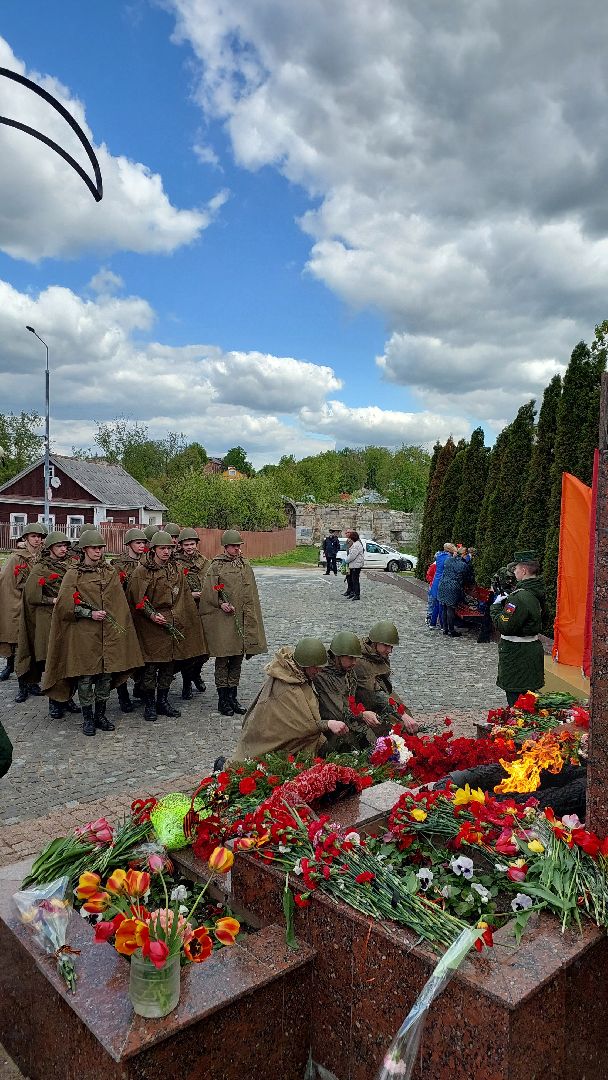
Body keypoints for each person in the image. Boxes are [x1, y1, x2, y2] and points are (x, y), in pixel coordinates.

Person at [42, 529, 144, 737]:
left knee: (105, 676)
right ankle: (88, 718)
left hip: (108, 634)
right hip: (84, 634)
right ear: (85, 549)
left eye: (100, 548)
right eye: (94, 548)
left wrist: (119, 627)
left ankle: (101, 715)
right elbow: (64, 605)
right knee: (86, 677)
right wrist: (88, 613)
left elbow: (118, 603)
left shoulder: (109, 572)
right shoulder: (74, 573)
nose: (98, 552)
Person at [127, 530, 205, 722]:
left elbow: (183, 596)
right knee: (151, 666)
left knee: (169, 666)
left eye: (169, 549)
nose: (166, 552)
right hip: (150, 626)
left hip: (171, 621)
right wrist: (152, 614)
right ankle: (150, 704)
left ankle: (163, 700)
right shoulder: (142, 571)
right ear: (153, 549)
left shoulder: (176, 569)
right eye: (162, 549)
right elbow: (137, 598)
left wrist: (180, 618)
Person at [199, 529, 267, 717]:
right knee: (223, 658)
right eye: (233, 546)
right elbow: (210, 591)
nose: (237, 549)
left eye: (238, 546)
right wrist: (221, 603)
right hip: (224, 619)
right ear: (225, 547)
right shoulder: (216, 567)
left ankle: (233, 696)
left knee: (237, 658)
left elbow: (250, 592)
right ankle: (223, 699)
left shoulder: (245, 565)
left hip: (242, 619)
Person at [15, 530, 80, 717]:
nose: (63, 549)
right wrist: (52, 600)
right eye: (59, 546)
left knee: (70, 660)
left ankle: (68, 699)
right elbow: (32, 594)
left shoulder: (72, 565)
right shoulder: (41, 568)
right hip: (48, 619)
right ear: (51, 547)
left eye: (65, 546)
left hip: (69, 618)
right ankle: (55, 702)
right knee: (53, 661)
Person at [232, 637, 330, 760]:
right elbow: (303, 727)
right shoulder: (288, 688)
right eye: (315, 667)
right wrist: (327, 724)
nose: (319, 671)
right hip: (271, 741)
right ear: (304, 664)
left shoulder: (300, 676)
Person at [490, 549, 546, 706]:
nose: (514, 572)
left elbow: (504, 625)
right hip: (531, 650)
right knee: (530, 699)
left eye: (515, 569)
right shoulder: (537, 591)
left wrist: (495, 607)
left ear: (524, 570)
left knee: (517, 703)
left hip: (517, 655)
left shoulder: (519, 596)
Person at [313, 630, 380, 751]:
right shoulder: (320, 674)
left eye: (356, 658)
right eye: (350, 658)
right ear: (337, 656)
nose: (354, 663)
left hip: (345, 724)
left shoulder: (349, 674)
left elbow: (350, 703)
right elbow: (338, 711)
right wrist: (362, 715)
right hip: (328, 730)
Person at [0, 522, 47, 690]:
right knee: (21, 647)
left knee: (36, 646)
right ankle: (22, 685)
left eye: (40, 537)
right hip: (20, 605)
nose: (37, 540)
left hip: (39, 607)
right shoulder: (16, 558)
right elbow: (7, 584)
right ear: (25, 538)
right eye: (33, 536)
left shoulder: (44, 557)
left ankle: (32, 680)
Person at [354, 621, 419, 735]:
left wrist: (403, 713)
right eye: (386, 645)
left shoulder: (377, 654)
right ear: (374, 643)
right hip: (366, 702)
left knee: (406, 715)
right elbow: (375, 694)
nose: (389, 650)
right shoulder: (361, 662)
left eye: (391, 646)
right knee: (397, 725)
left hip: (380, 693)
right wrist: (401, 714)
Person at [111, 528, 149, 712]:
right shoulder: (118, 565)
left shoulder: (148, 563)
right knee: (124, 656)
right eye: (138, 543)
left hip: (143, 615)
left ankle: (140, 687)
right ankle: (122, 694)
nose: (141, 546)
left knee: (144, 654)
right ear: (129, 545)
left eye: (143, 543)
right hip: (125, 614)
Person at [174, 527, 210, 699]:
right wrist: (190, 594)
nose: (189, 547)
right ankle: (187, 682)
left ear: (197, 544)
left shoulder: (205, 562)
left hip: (204, 610)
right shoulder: (175, 563)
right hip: (186, 611)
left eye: (192, 544)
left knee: (205, 651)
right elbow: (172, 587)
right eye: (186, 544)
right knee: (189, 650)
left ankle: (197, 674)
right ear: (180, 545)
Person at [438, 545, 473, 637]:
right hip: (452, 587)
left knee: (445, 608)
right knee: (451, 609)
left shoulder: (448, 560)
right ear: (464, 555)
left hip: (443, 585)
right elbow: (468, 578)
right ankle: (451, 631)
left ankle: (445, 629)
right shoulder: (463, 565)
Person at [427, 544, 456, 628]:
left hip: (435, 582)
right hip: (442, 583)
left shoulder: (439, 556)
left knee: (436, 604)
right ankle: (443, 625)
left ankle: (432, 623)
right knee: (441, 605)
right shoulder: (449, 558)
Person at [344, 530, 364, 600]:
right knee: (352, 580)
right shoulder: (356, 544)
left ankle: (357, 594)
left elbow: (352, 556)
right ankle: (353, 592)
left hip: (356, 565)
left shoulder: (356, 545)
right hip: (354, 564)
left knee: (355, 580)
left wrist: (346, 561)